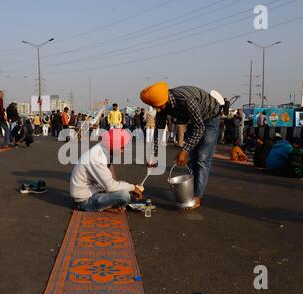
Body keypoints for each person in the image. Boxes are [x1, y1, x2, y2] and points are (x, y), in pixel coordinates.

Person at [140, 82, 222, 210]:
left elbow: (199, 128)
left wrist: (184, 150)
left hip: (210, 117)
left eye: (158, 106)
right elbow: (159, 131)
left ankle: (197, 197)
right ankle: (190, 192)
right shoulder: (161, 105)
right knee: (192, 159)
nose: (157, 110)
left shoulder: (187, 100)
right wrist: (153, 156)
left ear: (165, 100)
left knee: (202, 159)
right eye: (154, 107)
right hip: (193, 120)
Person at [70, 129, 144, 214]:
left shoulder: (104, 148)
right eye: (121, 147)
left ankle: (106, 205)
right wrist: (133, 188)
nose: (123, 150)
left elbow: (110, 170)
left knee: (123, 186)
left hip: (94, 190)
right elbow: (110, 187)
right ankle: (99, 207)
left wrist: (126, 187)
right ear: (114, 146)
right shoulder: (98, 158)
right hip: (84, 200)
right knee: (124, 196)